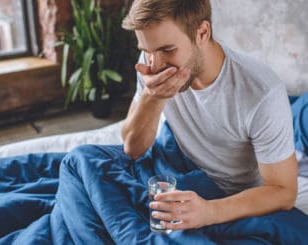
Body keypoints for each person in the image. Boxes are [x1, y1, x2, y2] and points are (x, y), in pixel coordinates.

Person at [121, 0, 299, 230]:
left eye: (167, 50)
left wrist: (209, 211)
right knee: (81, 161)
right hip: (177, 165)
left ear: (202, 33)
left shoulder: (261, 93)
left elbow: (284, 192)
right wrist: (152, 97)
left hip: (228, 194)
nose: (155, 64)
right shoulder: (152, 63)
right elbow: (132, 149)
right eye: (147, 51)